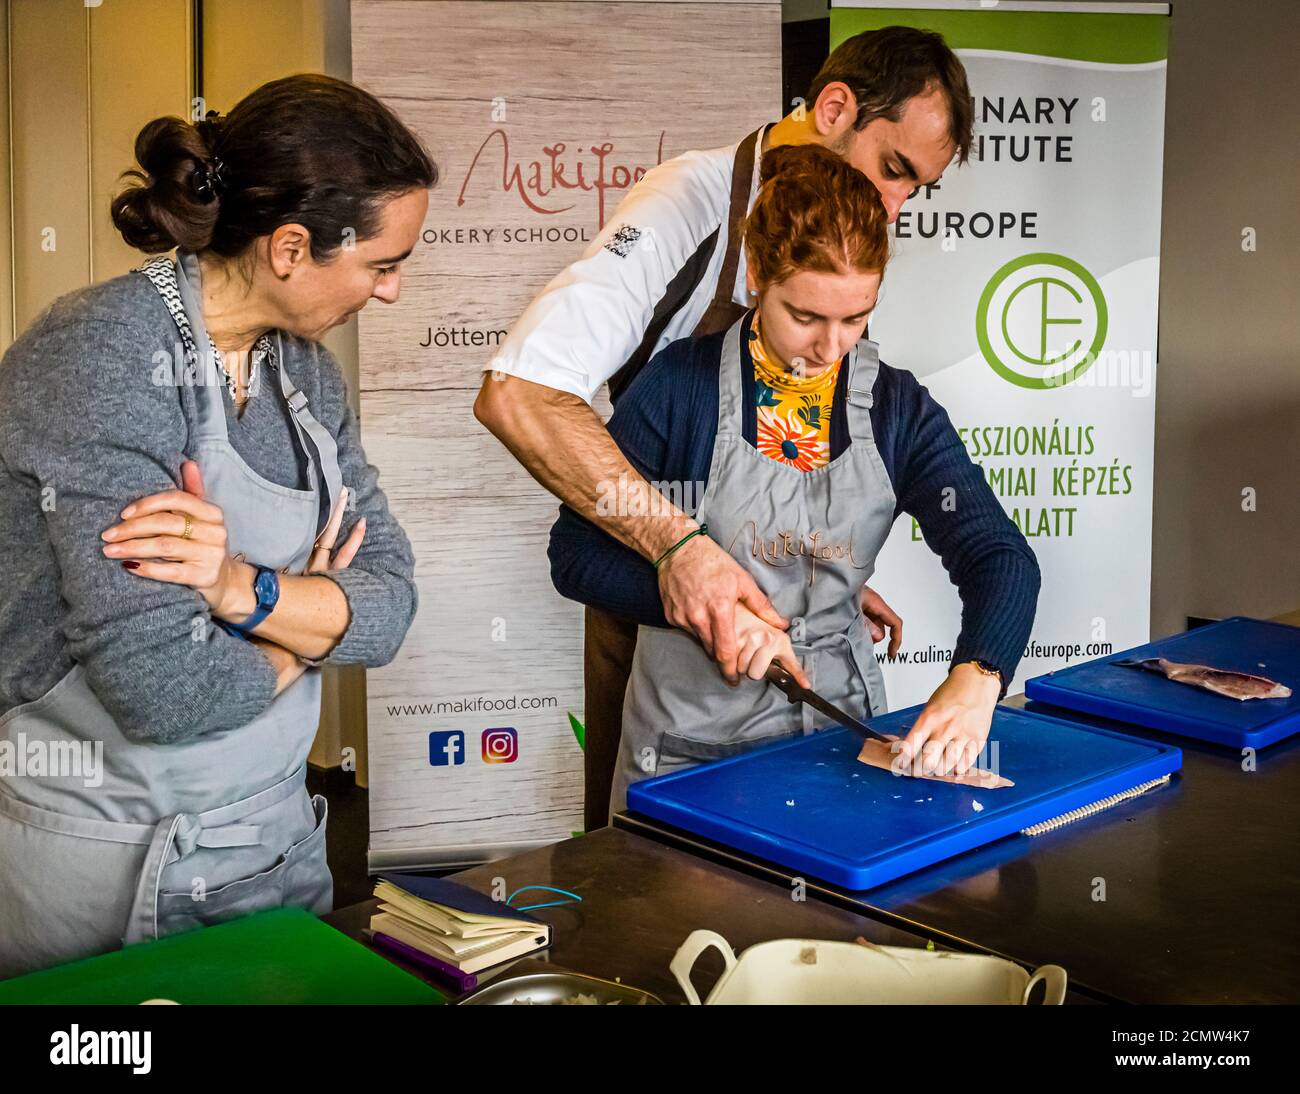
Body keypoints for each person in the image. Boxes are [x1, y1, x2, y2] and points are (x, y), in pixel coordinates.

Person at [476, 26, 976, 828]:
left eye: (917, 190)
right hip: (654, 594)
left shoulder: (839, 247)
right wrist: (682, 555)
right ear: (835, 107)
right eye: (891, 170)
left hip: (770, 610)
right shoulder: (690, 203)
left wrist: (808, 572)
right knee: (645, 863)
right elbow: (521, 392)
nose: (893, 208)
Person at [0, 74, 434, 977]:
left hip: (274, 843)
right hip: (105, 867)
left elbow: (391, 602)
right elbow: (167, 693)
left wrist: (239, 587)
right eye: (382, 264)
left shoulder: (304, 376)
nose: (391, 292)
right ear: (288, 248)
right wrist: (310, 634)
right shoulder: (100, 356)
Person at [547, 143, 1040, 815]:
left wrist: (977, 676)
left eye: (855, 317)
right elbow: (575, 556)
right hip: (690, 754)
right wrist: (705, 607)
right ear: (757, 275)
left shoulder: (897, 409)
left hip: (842, 742)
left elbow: (999, 557)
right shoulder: (678, 390)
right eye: (805, 316)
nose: (831, 346)